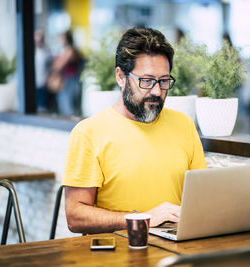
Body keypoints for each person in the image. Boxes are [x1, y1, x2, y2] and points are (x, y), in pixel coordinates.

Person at [62, 27, 207, 234]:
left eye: (164, 81)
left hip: (176, 249)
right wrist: (142, 219)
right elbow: (75, 217)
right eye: (146, 81)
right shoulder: (88, 133)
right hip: (118, 252)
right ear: (121, 77)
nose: (157, 91)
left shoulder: (184, 124)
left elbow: (200, 197)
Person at [50, 30, 83, 116]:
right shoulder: (62, 50)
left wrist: (59, 61)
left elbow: (60, 64)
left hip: (71, 80)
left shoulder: (70, 50)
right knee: (64, 104)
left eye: (62, 38)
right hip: (64, 80)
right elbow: (56, 65)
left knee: (70, 106)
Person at [34, 29, 52, 113]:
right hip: (33, 84)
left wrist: (47, 79)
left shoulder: (47, 52)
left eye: (40, 37)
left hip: (43, 84)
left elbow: (51, 67)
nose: (38, 40)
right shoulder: (31, 51)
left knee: (42, 108)